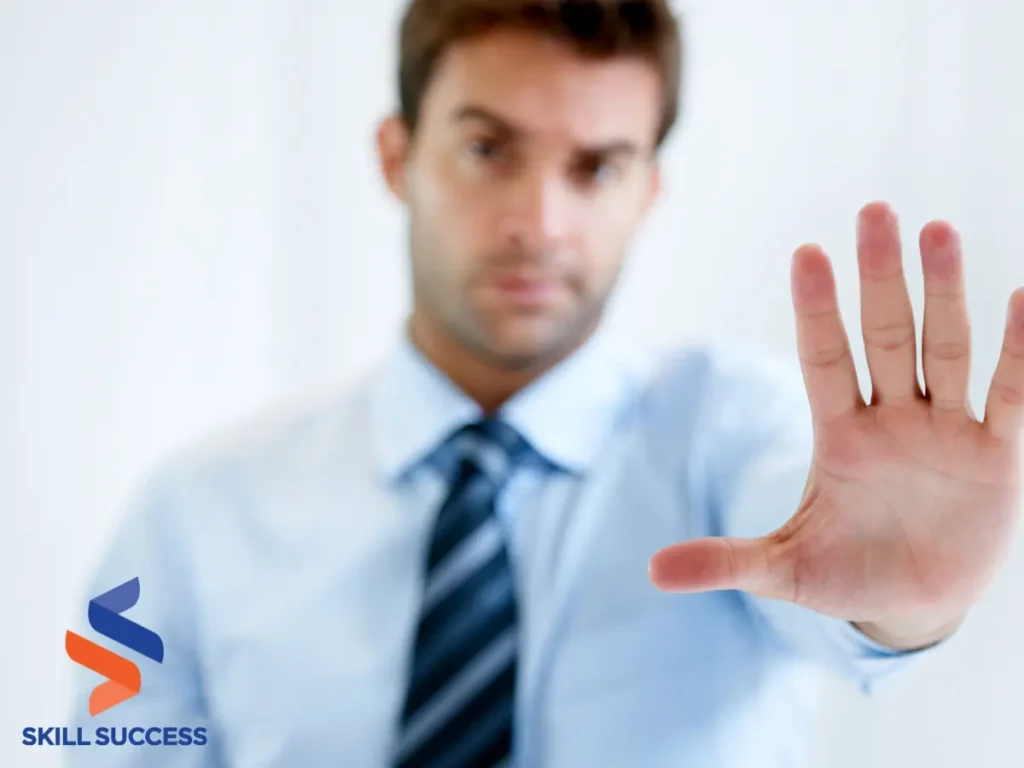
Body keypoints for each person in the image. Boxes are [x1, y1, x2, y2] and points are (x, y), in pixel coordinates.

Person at [67, 0, 1024, 766]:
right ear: (397, 156)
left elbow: (820, 542)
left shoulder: (734, 434)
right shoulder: (194, 514)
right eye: (490, 150)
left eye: (597, 169)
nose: (541, 220)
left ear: (649, 191)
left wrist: (903, 605)